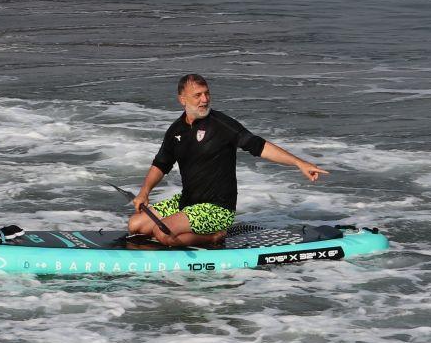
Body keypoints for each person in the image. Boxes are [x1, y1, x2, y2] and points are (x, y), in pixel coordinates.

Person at [127, 74, 328, 247]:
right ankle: (187, 229)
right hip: (187, 202)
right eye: (197, 95)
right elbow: (161, 164)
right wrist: (144, 193)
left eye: (207, 93)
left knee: (163, 234)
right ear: (182, 99)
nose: (204, 100)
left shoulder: (221, 125)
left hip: (217, 208)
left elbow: (259, 146)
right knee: (136, 225)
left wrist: (299, 162)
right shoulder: (176, 131)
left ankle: (215, 235)